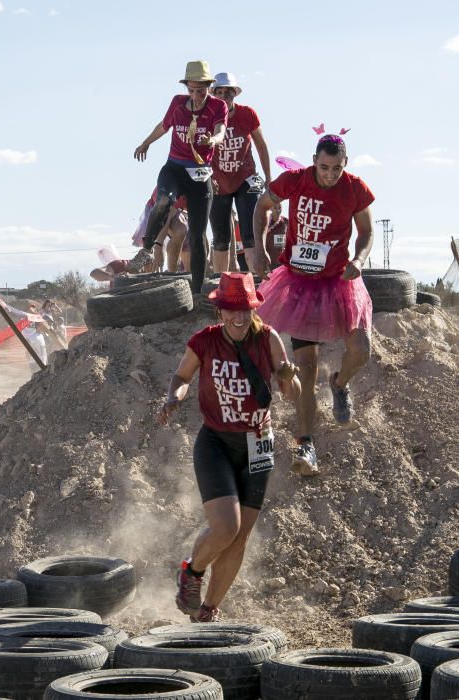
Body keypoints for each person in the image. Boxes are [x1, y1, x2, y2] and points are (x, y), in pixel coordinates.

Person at [157, 272, 300, 622]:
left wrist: (287, 377)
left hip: (259, 442)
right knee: (225, 527)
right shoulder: (204, 341)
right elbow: (182, 376)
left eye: (245, 310)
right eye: (231, 310)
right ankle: (191, 572)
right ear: (219, 310)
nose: (238, 318)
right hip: (216, 441)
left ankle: (207, 609)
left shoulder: (268, 339)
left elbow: (293, 392)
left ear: (254, 309)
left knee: (239, 539)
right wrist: (174, 398)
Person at [250, 134, 375, 477]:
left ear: (345, 164)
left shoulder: (355, 188)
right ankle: (306, 445)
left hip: (339, 281)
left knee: (361, 349)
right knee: (305, 366)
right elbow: (262, 206)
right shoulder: (295, 181)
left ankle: (340, 383)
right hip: (299, 283)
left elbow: (365, 231)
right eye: (324, 167)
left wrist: (361, 259)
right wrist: (258, 248)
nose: (330, 174)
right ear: (313, 161)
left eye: (336, 168)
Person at [130, 60, 228, 292]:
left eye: (201, 90)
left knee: (197, 235)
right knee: (164, 200)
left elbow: (221, 131)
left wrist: (212, 140)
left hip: (199, 174)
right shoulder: (177, 103)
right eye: (191, 90)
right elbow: (164, 126)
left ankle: (197, 289)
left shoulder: (217, 107)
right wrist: (146, 143)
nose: (196, 95)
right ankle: (146, 250)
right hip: (174, 168)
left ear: (209, 87)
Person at [208, 72, 273, 274]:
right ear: (213, 95)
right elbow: (198, 152)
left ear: (235, 94)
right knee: (220, 239)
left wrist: (269, 180)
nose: (225, 97)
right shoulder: (207, 117)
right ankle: (220, 285)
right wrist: (208, 177)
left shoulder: (247, 114)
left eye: (229, 93)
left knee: (250, 234)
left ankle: (259, 285)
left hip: (246, 178)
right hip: (218, 181)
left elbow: (261, 146)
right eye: (220, 93)